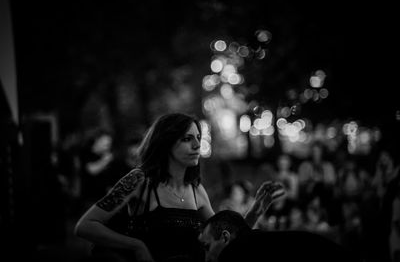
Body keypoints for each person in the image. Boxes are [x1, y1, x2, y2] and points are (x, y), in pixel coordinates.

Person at [74, 113, 285, 262]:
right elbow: (85, 225)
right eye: (187, 139)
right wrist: (137, 246)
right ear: (166, 143)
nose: (196, 145)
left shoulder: (197, 190)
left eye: (198, 138)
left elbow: (223, 238)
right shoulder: (139, 180)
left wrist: (256, 210)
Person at [198, 210, 362, 262]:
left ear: (226, 238)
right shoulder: (256, 241)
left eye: (207, 247)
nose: (206, 258)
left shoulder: (236, 251)